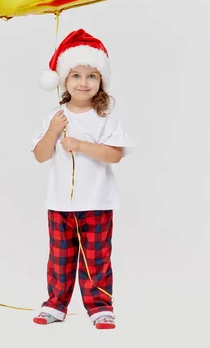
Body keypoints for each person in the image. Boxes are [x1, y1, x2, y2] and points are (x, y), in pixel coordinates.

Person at [31, 29, 134, 330]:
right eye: (76, 75)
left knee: (96, 258)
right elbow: (40, 155)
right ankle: (56, 304)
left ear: (101, 81)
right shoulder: (56, 116)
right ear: (64, 80)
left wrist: (80, 145)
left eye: (91, 76)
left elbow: (114, 154)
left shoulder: (106, 117)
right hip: (60, 204)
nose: (83, 82)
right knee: (60, 260)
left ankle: (100, 306)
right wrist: (53, 131)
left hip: (97, 202)